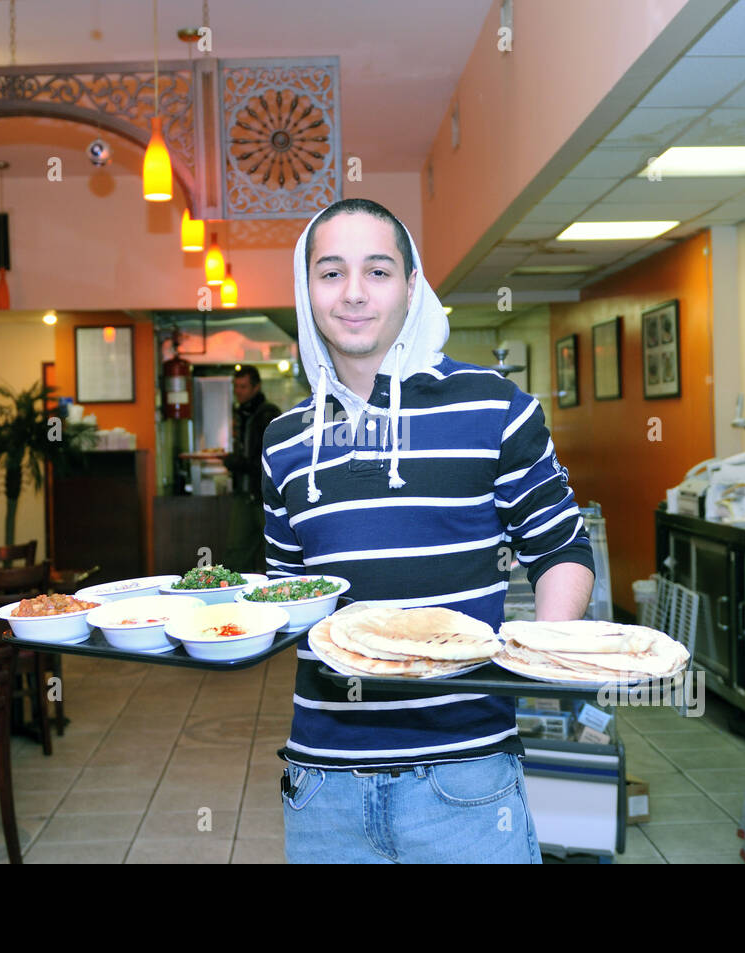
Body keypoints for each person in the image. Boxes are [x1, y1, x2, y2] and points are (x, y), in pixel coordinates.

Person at [264, 198, 596, 864]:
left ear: (411, 286)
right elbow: (290, 595)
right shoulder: (283, 440)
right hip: (324, 783)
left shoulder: (495, 406)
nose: (354, 292)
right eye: (330, 273)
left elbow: (562, 547)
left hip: (463, 779)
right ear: (307, 290)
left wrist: (542, 656)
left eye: (378, 271)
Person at [220, 365, 280, 572]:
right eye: (236, 386)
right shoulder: (244, 413)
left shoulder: (266, 414)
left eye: (243, 386)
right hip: (247, 493)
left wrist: (233, 462)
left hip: (261, 496)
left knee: (269, 552)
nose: (239, 391)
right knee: (238, 553)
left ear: (256, 387)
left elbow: (266, 460)